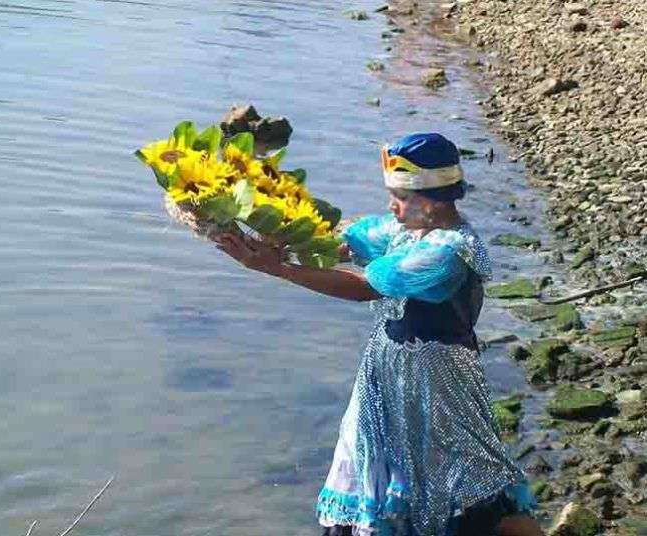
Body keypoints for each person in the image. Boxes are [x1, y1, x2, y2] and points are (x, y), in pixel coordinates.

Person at [214, 133, 544, 536]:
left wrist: (277, 269)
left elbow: (365, 287)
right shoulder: (407, 231)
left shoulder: (447, 253)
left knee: (469, 483)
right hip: (385, 376)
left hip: (438, 387)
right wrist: (267, 227)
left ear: (433, 201)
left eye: (400, 198)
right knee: (377, 466)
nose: (392, 206)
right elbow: (338, 240)